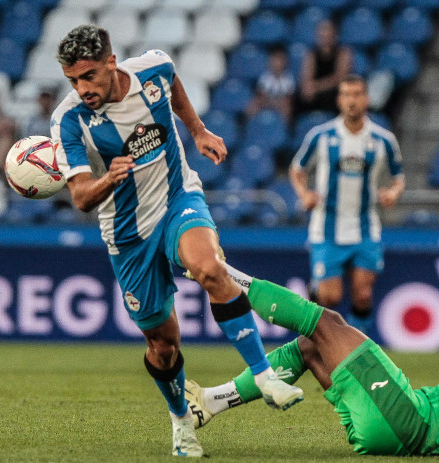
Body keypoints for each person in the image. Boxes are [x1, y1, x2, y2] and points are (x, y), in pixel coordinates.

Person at [49, 25, 302, 458]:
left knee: (208, 267)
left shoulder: (153, 69)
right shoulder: (69, 119)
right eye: (73, 80)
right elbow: (79, 198)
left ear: (111, 62)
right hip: (128, 236)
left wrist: (199, 130)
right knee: (163, 346)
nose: (82, 88)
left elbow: (173, 85)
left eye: (89, 75)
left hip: (177, 200)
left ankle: (264, 374)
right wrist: (108, 178)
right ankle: (182, 419)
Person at [183, 266, 439, 460]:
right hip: (398, 423)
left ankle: (220, 273)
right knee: (311, 345)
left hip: (408, 420)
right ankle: (212, 401)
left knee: (327, 322)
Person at [290, 74, 405, 334]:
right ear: (339, 100)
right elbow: (297, 169)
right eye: (346, 95)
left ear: (366, 99)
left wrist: (393, 193)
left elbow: (398, 176)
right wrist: (304, 194)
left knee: (363, 295)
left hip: (365, 226)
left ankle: (355, 353)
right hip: (327, 227)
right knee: (330, 298)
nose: (352, 101)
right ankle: (315, 291)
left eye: (357, 95)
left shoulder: (383, 139)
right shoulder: (321, 136)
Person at [298, 19, 352, 114]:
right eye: (322, 31)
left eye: (328, 31)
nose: (325, 35)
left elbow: (339, 78)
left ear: (334, 33)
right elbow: (306, 78)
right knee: (301, 97)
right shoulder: (311, 54)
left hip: (334, 92)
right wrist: (309, 88)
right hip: (315, 93)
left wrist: (316, 87)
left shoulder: (343, 52)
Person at [246, 46, 296, 124]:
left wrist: (277, 103)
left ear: (285, 62)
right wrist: (269, 102)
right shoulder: (265, 76)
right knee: (252, 106)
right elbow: (261, 94)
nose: (277, 63)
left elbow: (288, 98)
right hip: (267, 102)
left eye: (279, 60)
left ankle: (284, 131)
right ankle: (250, 128)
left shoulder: (288, 78)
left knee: (287, 109)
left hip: (281, 103)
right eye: (274, 59)